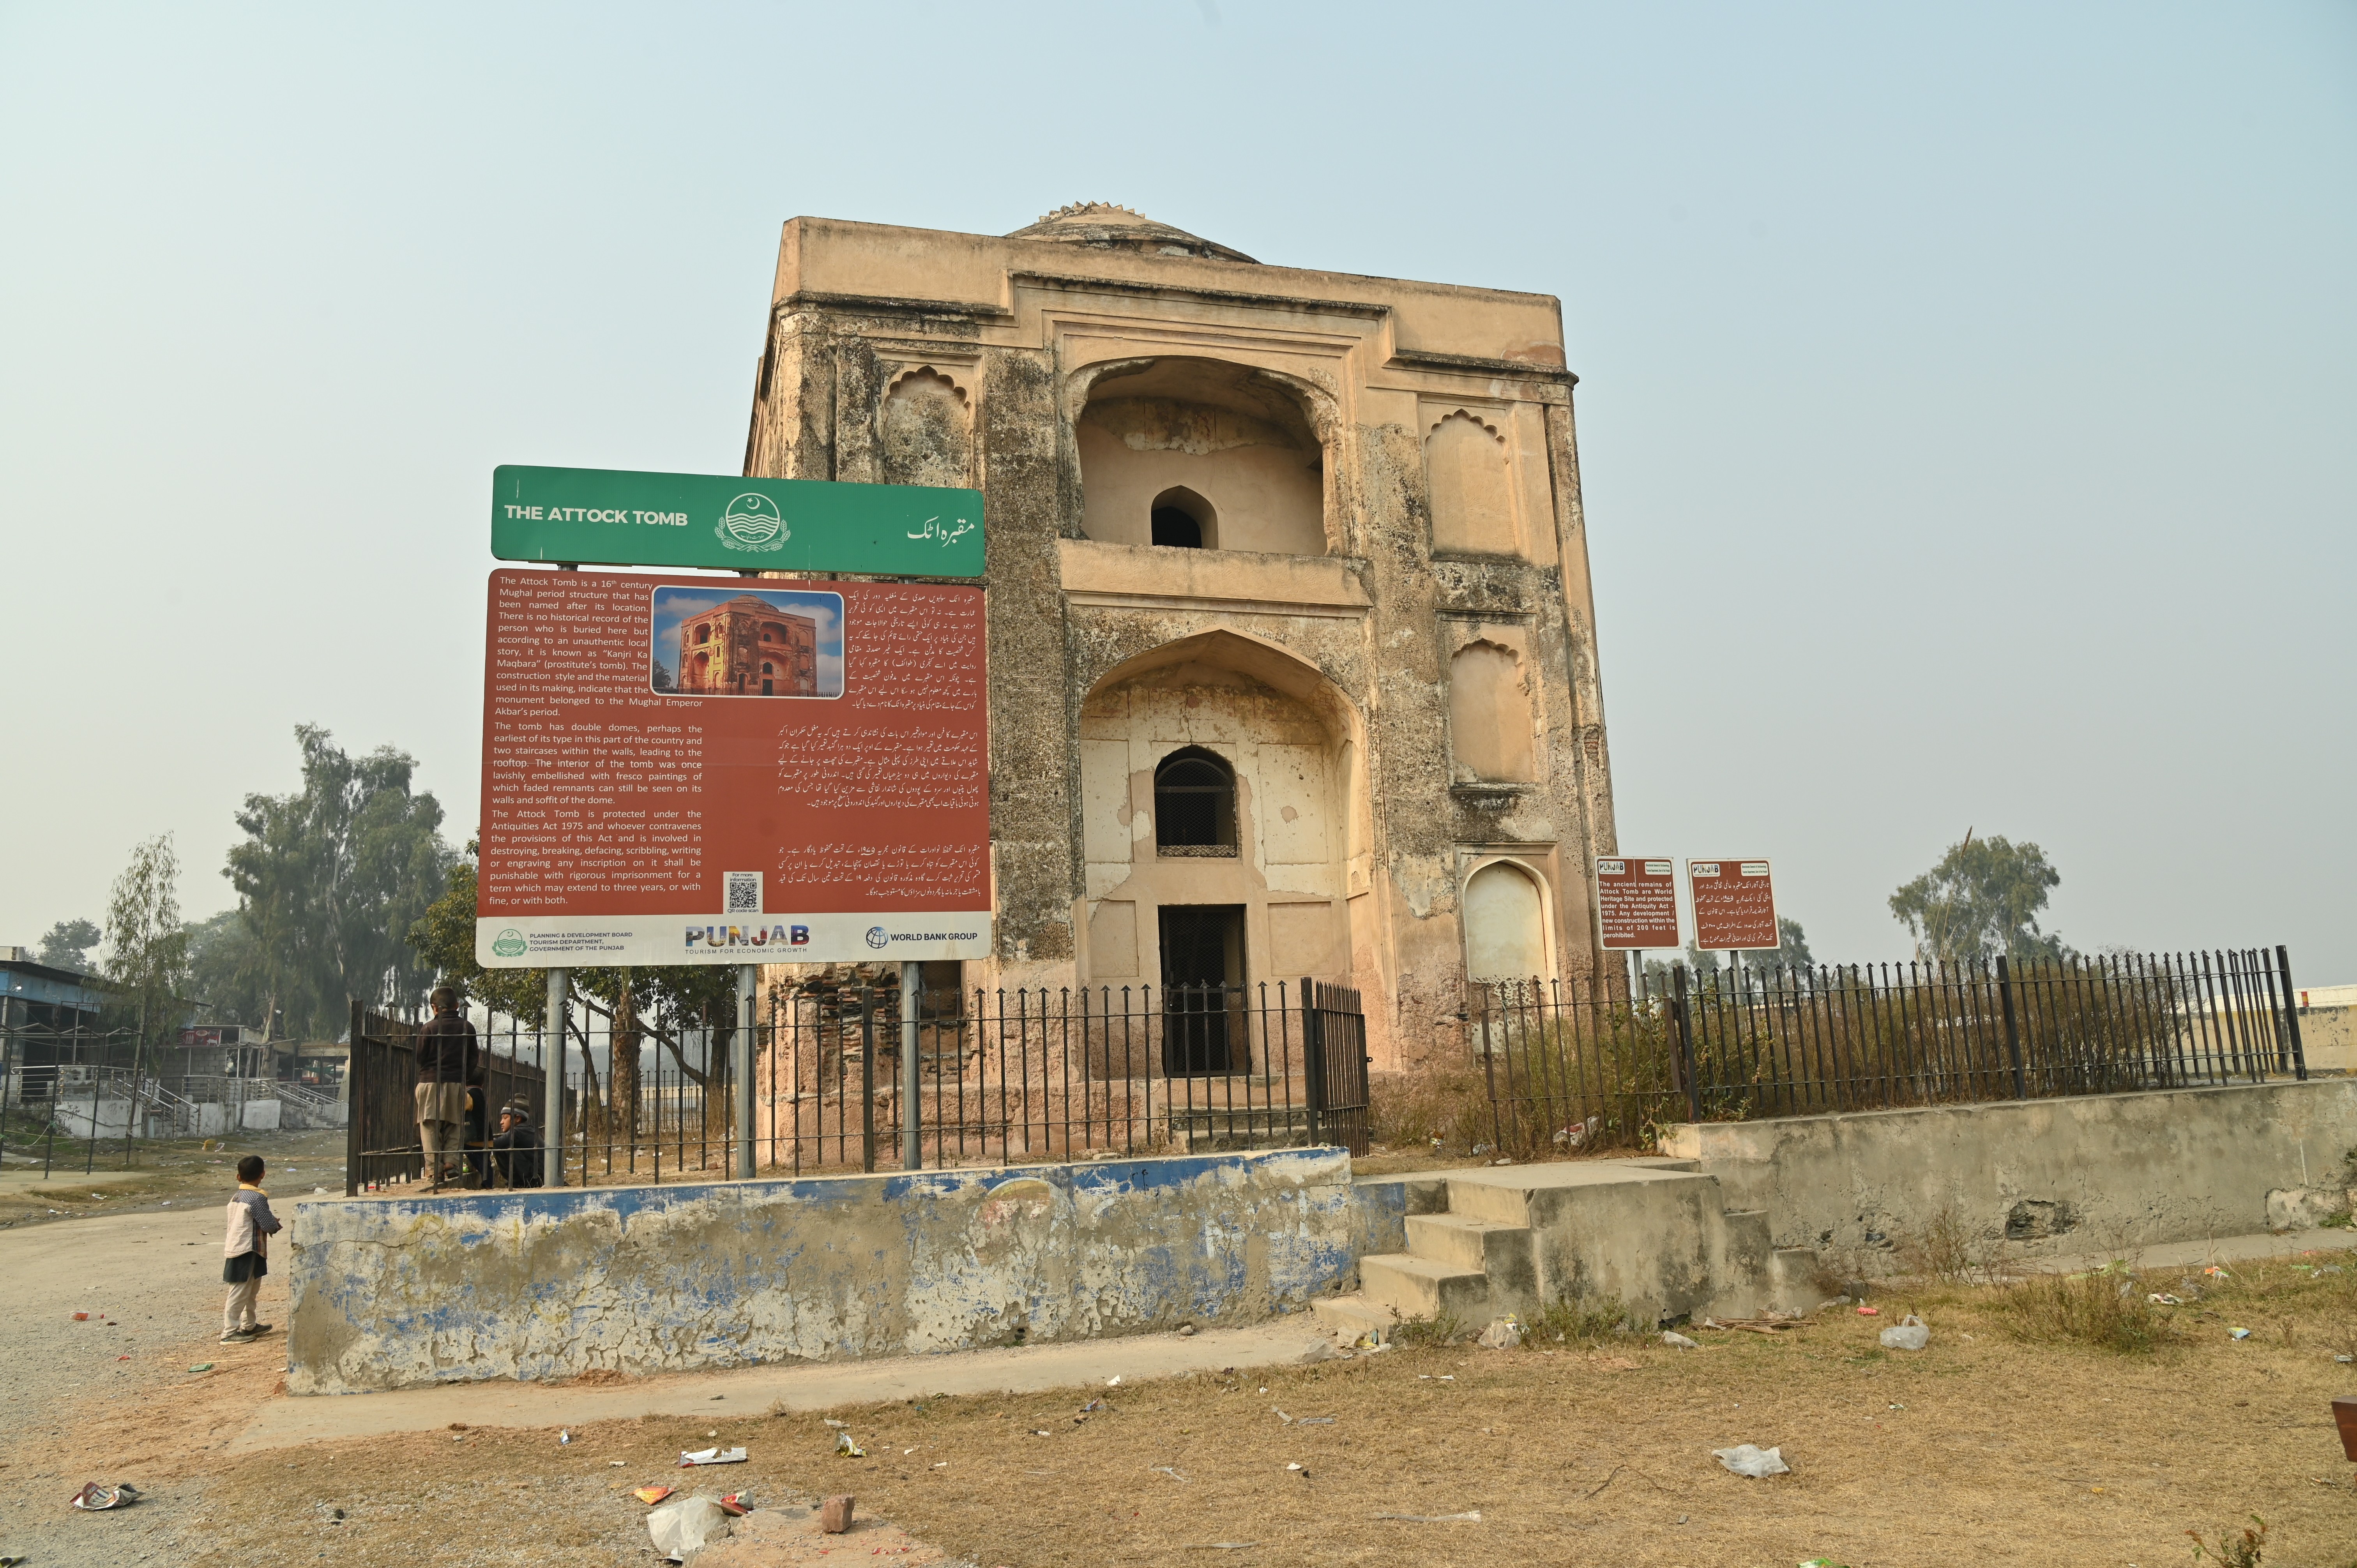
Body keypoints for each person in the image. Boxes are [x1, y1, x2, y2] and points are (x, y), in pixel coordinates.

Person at [415, 984, 478, 1191]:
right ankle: (451, 1162)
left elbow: (420, 1057)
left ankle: (435, 1169)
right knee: (455, 1123)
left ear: (435, 1008)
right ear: (457, 1005)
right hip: (456, 1082)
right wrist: (462, 1078)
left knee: (430, 1125)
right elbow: (473, 1058)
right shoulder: (467, 1028)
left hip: (430, 1082)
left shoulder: (429, 1028)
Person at [221, 1154, 282, 1343]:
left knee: (250, 1290)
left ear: (239, 1177)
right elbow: (268, 1225)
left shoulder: (236, 1196)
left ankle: (249, 1326)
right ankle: (229, 1332)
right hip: (248, 1249)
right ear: (263, 1174)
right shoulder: (257, 1198)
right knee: (240, 1291)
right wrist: (275, 1224)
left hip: (239, 1246)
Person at [491, 1100, 544, 1188]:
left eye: (505, 1118)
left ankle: (518, 1184)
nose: (501, 1122)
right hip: (539, 1175)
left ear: (518, 1119)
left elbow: (496, 1144)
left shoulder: (518, 1131)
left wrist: (475, 1142)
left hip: (536, 1178)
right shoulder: (527, 1129)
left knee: (503, 1147)